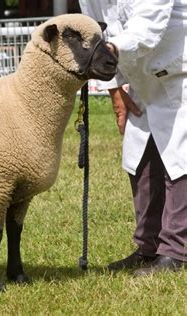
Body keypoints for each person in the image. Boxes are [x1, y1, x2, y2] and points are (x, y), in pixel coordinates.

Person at [79, 0, 187, 275]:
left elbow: (146, 27)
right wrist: (113, 86)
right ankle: (148, 247)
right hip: (141, 77)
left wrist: (109, 51)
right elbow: (96, 29)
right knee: (139, 159)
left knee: (179, 158)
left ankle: (176, 251)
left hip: (178, 72)